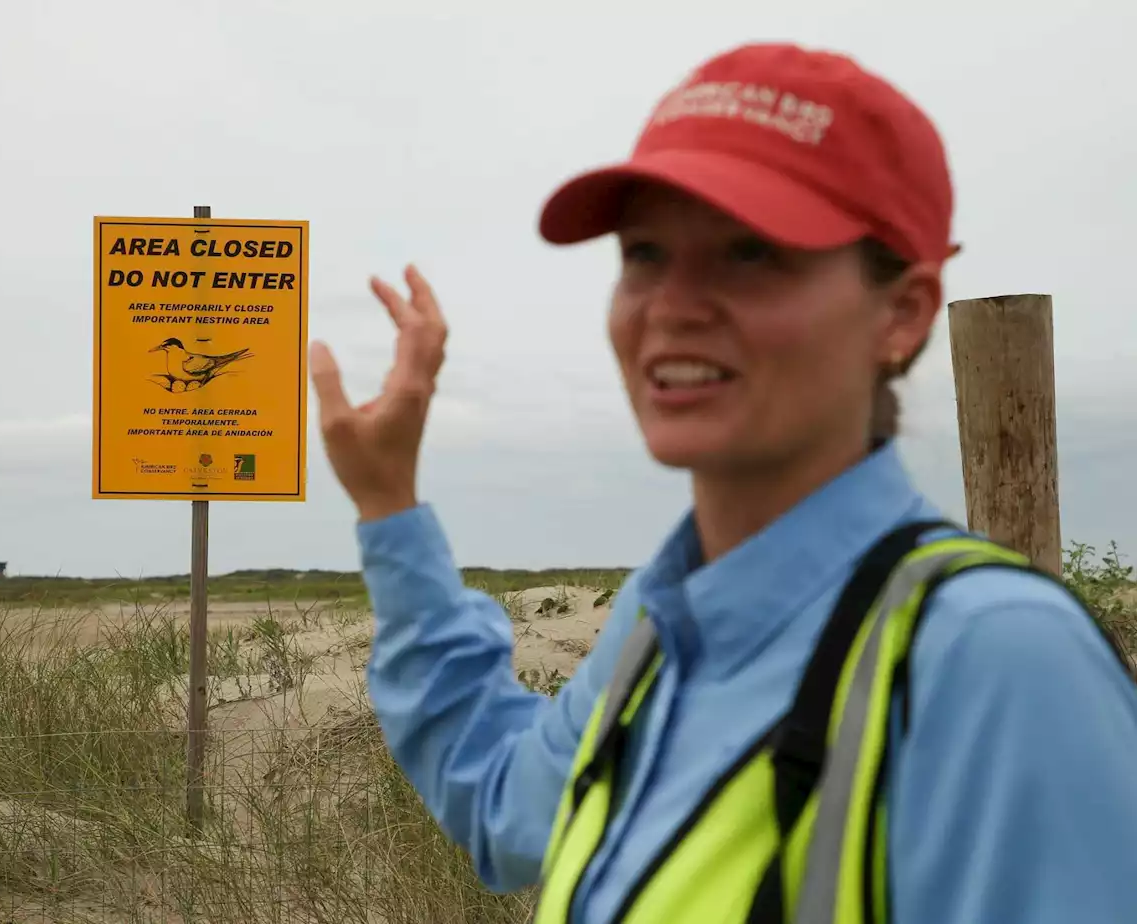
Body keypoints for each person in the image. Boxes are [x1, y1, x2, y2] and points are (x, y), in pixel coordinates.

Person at [308, 42, 1138, 924]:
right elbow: (505, 802)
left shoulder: (993, 662)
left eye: (751, 252)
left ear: (903, 312)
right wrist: (388, 504)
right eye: (645, 253)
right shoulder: (662, 625)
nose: (672, 303)